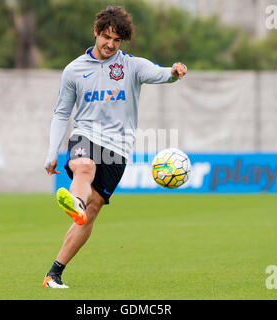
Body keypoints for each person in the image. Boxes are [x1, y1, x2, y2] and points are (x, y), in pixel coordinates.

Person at [43, 5, 187, 288]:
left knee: (92, 212)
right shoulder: (74, 70)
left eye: (116, 40)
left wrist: (173, 72)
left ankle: (54, 273)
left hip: (118, 147)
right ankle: (76, 202)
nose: (110, 44)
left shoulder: (130, 66)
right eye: (106, 37)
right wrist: (52, 151)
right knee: (84, 166)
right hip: (85, 134)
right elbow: (61, 113)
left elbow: (158, 72)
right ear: (96, 32)